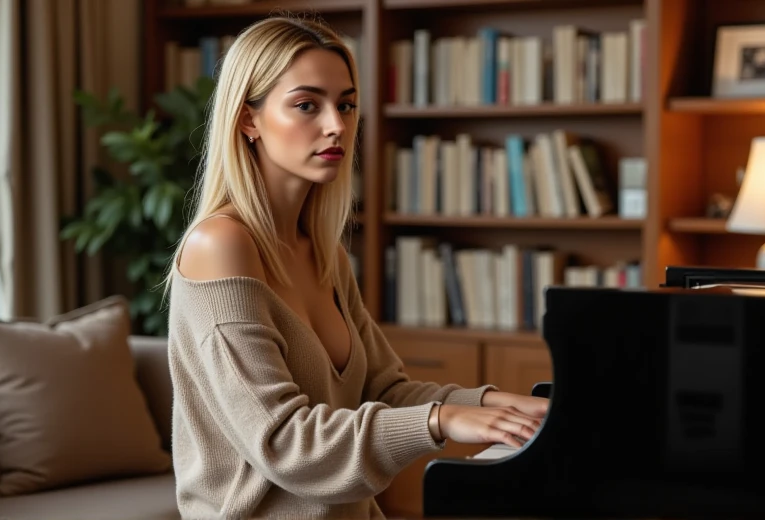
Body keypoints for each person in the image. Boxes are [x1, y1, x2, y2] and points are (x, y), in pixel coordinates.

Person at [163, 15, 549, 519]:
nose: (337, 125)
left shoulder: (323, 254)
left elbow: (385, 390)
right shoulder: (220, 245)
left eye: (345, 104)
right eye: (307, 105)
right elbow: (284, 442)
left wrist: (495, 404)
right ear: (247, 119)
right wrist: (440, 421)